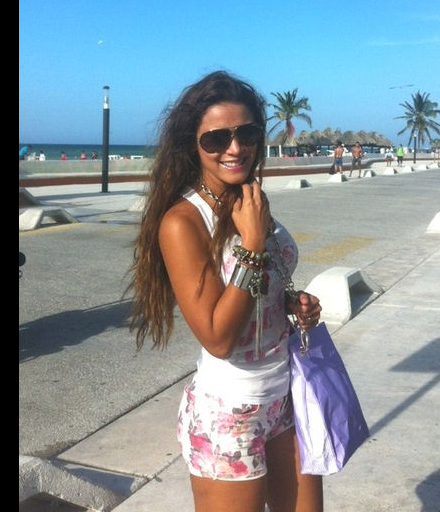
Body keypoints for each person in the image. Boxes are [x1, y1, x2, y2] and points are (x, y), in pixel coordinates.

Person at [127, 70, 323, 512]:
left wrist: (290, 303)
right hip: (230, 412)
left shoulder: (249, 198)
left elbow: (257, 289)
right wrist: (251, 245)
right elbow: (217, 337)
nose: (235, 148)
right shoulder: (183, 222)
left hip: (286, 395)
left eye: (246, 133)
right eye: (216, 139)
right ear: (192, 145)